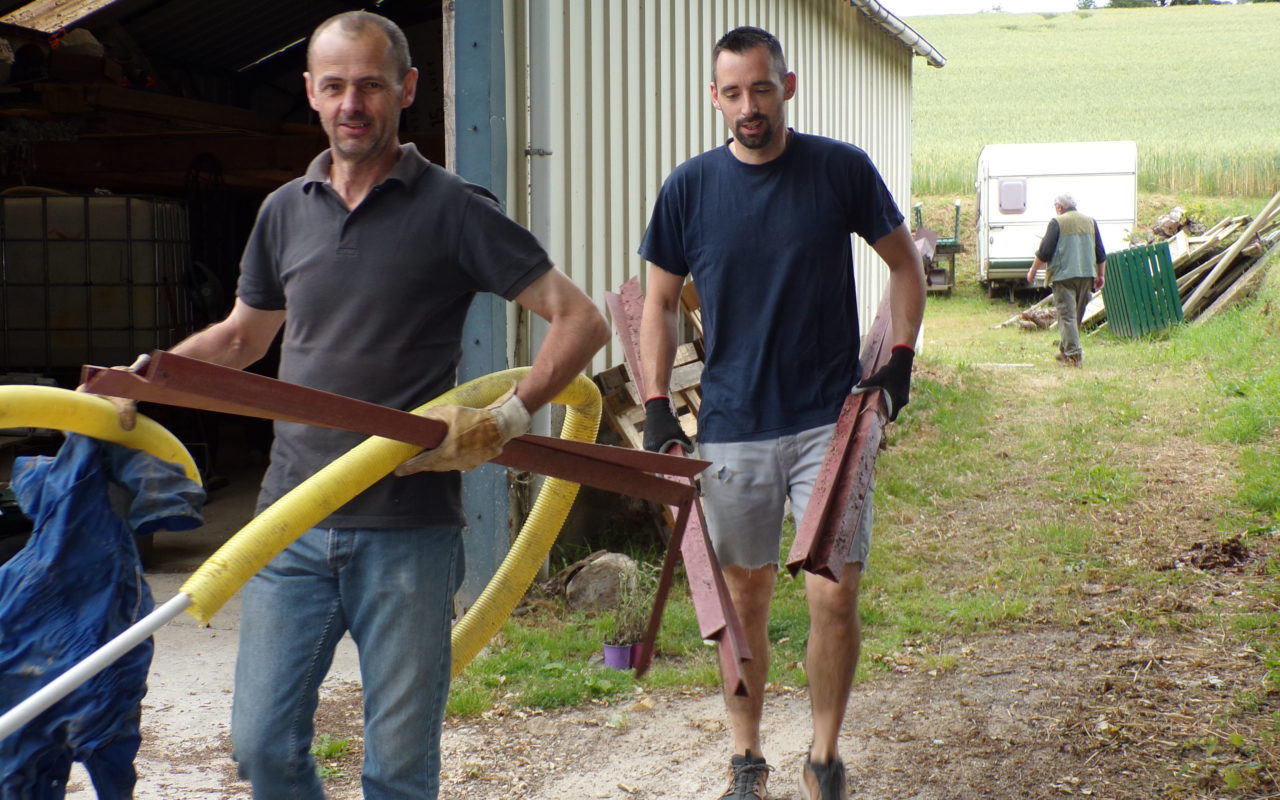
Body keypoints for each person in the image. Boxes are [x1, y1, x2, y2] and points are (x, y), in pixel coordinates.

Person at [102, 11, 608, 799]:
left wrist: (508, 416)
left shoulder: (453, 207)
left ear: (406, 89)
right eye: (334, 86)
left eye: (370, 85)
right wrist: (154, 374)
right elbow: (242, 339)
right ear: (310, 91)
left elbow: (581, 320)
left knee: (397, 772)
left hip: (408, 530)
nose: (352, 104)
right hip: (292, 519)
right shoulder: (284, 210)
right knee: (263, 746)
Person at [636, 26, 925, 800]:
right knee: (744, 599)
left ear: (787, 87)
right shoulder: (689, 189)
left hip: (828, 421)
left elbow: (905, 264)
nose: (749, 106)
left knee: (834, 592)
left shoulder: (839, 169)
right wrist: (658, 404)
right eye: (733, 92)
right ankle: (747, 757)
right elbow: (657, 303)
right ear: (714, 97)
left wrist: (899, 360)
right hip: (732, 427)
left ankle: (824, 756)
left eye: (761, 89)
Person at [1025, 192, 1107, 367]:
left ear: (1059, 207)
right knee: (1074, 316)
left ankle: (1073, 356)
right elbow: (1100, 252)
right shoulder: (1090, 221)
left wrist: (1032, 271)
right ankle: (1065, 350)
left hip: (1063, 276)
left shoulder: (1057, 222)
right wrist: (1101, 275)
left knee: (1067, 316)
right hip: (1086, 275)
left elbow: (1044, 252)